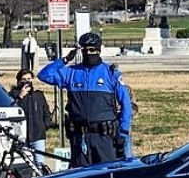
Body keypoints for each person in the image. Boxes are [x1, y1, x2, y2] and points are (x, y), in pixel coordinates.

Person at [37, 32, 133, 166]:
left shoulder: (110, 72)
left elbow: (126, 104)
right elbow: (44, 75)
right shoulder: (71, 72)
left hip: (103, 137)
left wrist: (123, 132)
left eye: (92, 49)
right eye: (85, 49)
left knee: (106, 177)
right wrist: (64, 60)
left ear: (99, 50)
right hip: (79, 138)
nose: (88, 53)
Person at [9, 69, 53, 165]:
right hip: (22, 136)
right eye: (23, 79)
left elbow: (46, 112)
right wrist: (20, 96)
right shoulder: (13, 95)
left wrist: (45, 125)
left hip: (38, 135)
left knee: (39, 164)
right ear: (18, 81)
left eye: (29, 79)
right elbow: (10, 109)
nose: (26, 82)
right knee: (24, 164)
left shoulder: (38, 95)